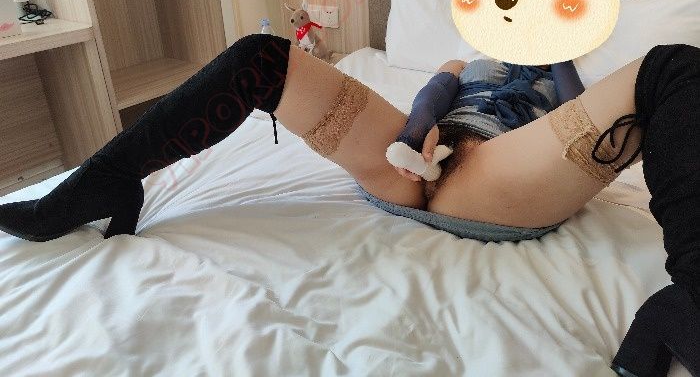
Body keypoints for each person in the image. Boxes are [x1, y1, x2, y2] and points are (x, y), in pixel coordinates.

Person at [0, 34, 697, 376]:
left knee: (673, 69)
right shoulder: (465, 59)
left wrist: (554, 55)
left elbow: (580, 106)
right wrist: (417, 131)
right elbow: (433, 92)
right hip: (410, 158)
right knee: (261, 55)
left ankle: (689, 298)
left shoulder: (560, 64)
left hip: (500, 174)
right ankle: (106, 179)